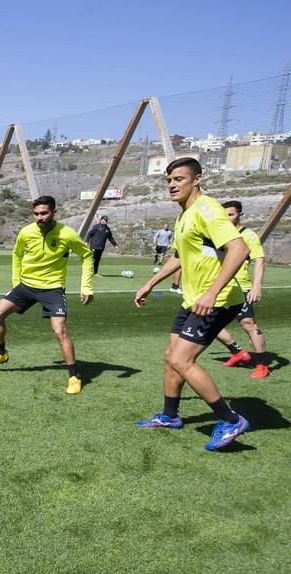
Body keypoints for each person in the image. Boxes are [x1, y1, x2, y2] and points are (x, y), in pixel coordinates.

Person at [134, 157, 250, 451]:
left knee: (181, 360)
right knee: (171, 355)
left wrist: (211, 292)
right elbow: (178, 255)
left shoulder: (208, 210)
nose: (172, 185)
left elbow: (240, 249)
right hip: (193, 300)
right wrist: (151, 282)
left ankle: (230, 419)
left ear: (197, 179)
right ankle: (170, 416)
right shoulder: (185, 213)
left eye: (179, 179)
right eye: (169, 180)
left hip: (217, 301)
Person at [0, 195, 94, 395]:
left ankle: (74, 377)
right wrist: (16, 282)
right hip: (26, 286)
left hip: (53, 288)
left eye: (44, 213)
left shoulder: (67, 234)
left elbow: (86, 255)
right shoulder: (26, 232)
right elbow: (16, 254)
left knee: (60, 331)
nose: (39, 217)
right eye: (36, 214)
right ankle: (0, 354)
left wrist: (86, 287)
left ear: (54, 213)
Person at [213, 200, 270, 379]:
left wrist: (256, 286)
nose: (227, 218)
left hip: (241, 287)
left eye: (231, 214)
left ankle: (262, 364)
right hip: (220, 287)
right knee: (207, 323)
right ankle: (238, 352)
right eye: (225, 215)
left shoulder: (248, 235)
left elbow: (259, 260)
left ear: (240, 215)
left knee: (248, 324)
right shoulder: (219, 233)